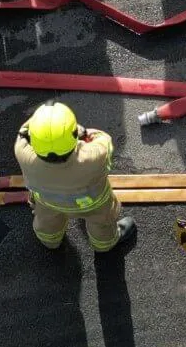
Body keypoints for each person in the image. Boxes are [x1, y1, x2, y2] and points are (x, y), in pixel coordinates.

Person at [13, 102, 135, 253]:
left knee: (47, 221)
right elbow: (102, 139)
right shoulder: (94, 157)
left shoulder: (22, 152)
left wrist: (43, 125)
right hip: (92, 203)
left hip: (48, 201)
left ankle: (50, 241)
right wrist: (82, 132)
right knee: (101, 223)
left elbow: (23, 131)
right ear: (73, 135)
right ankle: (104, 245)